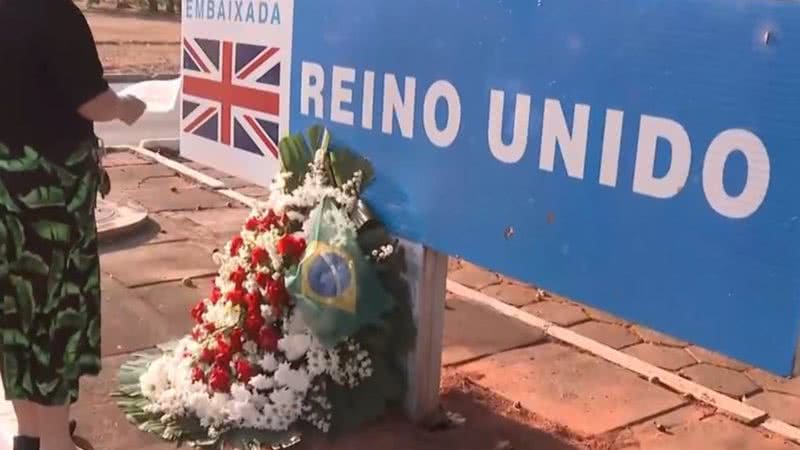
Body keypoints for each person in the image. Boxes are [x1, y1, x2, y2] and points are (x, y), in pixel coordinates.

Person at [0, 1, 147, 449]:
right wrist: (128, 108)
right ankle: (53, 441)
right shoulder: (55, 14)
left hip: (6, 180)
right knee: (55, 311)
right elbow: (92, 102)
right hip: (51, 194)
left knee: (15, 310)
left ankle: (28, 433)